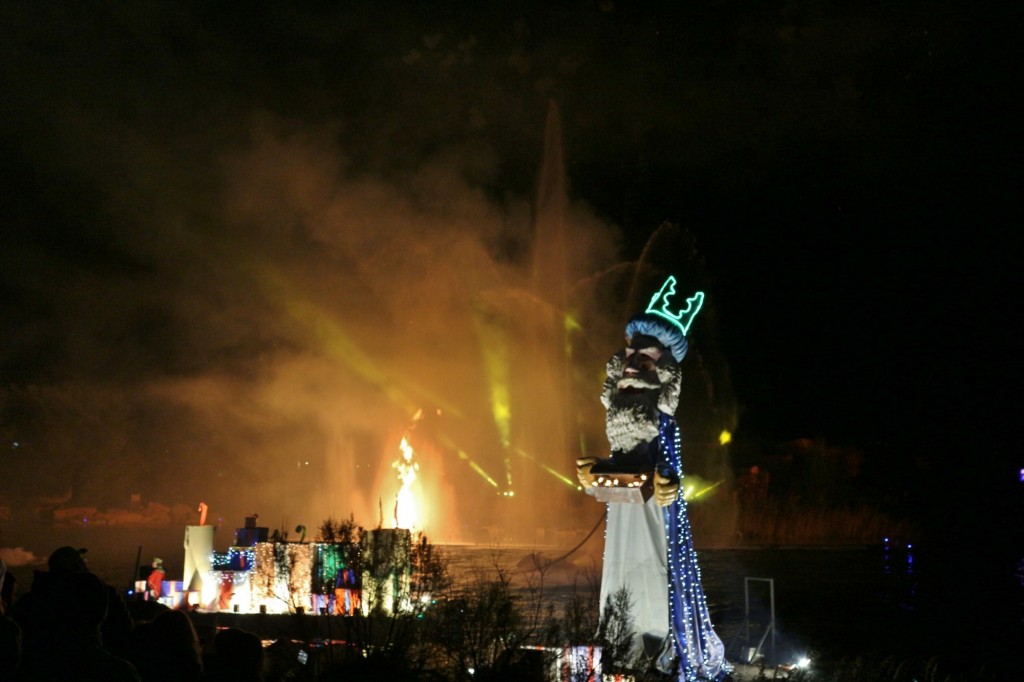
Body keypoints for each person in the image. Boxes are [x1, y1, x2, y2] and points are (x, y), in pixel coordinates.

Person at [577, 284, 730, 681]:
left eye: (643, 366)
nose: (629, 372)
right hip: (623, 520)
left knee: (655, 581)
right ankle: (618, 642)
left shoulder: (661, 422)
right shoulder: (623, 423)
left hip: (655, 524)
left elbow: (669, 468)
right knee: (618, 578)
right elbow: (622, 463)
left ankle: (660, 647)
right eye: (628, 363)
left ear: (664, 378)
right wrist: (595, 469)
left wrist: (671, 487)